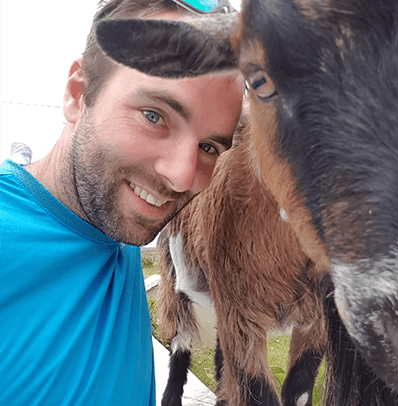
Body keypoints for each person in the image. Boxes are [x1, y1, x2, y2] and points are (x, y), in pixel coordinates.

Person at [0, 0, 244, 404]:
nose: (183, 176)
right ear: (79, 94)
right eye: (154, 116)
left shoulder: (110, 225)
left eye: (208, 146)